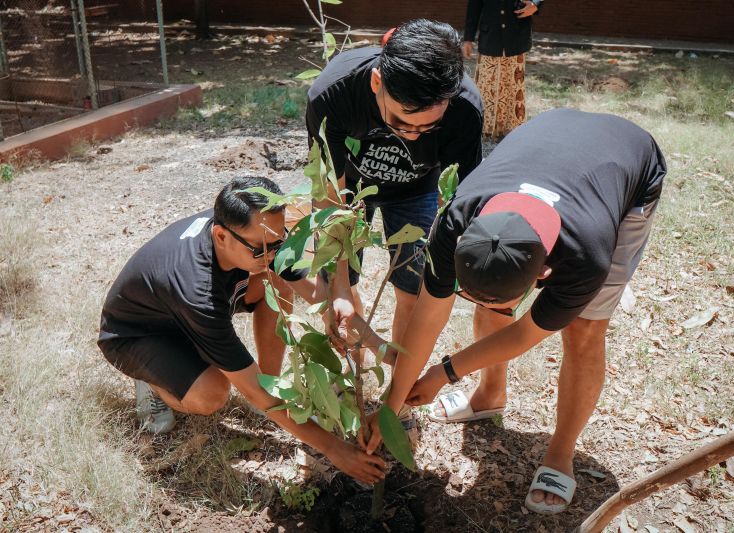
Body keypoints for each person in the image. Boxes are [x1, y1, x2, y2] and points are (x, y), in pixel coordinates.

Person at [365, 109, 667, 514]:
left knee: (584, 330)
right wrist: (391, 404)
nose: (484, 308)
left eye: (507, 299)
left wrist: (443, 372)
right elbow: (428, 315)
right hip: (552, 134)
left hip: (628, 162)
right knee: (494, 306)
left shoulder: (586, 254)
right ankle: (490, 394)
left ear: (543, 274)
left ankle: (560, 452)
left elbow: (526, 332)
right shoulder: (455, 220)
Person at [97, 176, 386, 485]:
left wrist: (381, 347)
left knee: (278, 280)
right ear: (221, 236)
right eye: (261, 249)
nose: (273, 253)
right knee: (213, 394)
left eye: (278, 242)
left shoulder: (255, 233)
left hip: (181, 313)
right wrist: (333, 448)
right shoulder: (200, 294)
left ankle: (271, 378)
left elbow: (314, 291)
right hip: (137, 335)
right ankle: (152, 381)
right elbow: (250, 388)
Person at [305, 18, 483, 353]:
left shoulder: (465, 109)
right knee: (338, 287)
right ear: (377, 82)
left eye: (427, 128)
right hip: (350, 191)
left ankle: (398, 384)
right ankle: (351, 379)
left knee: (414, 288)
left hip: (417, 188)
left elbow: (462, 199)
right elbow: (329, 194)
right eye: (400, 121)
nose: (412, 134)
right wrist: (339, 284)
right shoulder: (334, 95)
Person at [463, 0, 543, 139]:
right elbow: (474, 6)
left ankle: (512, 128)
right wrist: (468, 39)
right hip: (490, 37)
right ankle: (485, 127)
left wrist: (535, 4)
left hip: (517, 34)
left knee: (513, 83)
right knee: (487, 84)